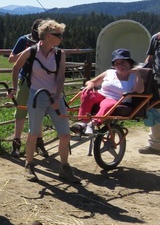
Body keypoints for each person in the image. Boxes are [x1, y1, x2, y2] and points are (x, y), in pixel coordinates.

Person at [9, 19, 80, 183]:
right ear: (48, 36)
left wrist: (57, 97)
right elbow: (15, 68)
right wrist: (13, 88)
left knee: (65, 134)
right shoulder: (31, 51)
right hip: (37, 95)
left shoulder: (59, 54)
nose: (61, 38)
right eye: (58, 35)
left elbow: (61, 77)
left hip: (55, 97)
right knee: (33, 133)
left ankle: (64, 167)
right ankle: (29, 165)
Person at [71, 48, 144, 135]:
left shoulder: (134, 76)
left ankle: (93, 124)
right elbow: (91, 82)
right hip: (101, 95)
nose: (119, 65)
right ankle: (83, 122)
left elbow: (139, 91)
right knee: (86, 92)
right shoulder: (109, 72)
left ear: (129, 63)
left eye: (123, 62)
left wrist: (138, 73)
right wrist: (90, 85)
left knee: (107, 104)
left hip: (117, 99)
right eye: (116, 63)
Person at [8, 19, 48, 158]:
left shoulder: (47, 42)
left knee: (39, 112)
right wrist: (28, 51)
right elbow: (11, 59)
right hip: (26, 80)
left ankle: (38, 141)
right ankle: (17, 143)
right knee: (21, 111)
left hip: (43, 81)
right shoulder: (24, 40)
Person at [140, 31, 160, 153]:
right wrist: (142, 74)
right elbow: (150, 58)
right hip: (157, 80)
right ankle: (155, 145)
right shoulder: (156, 38)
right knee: (157, 110)